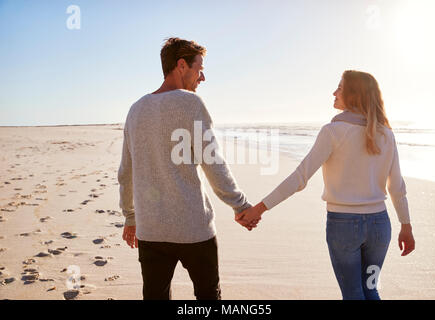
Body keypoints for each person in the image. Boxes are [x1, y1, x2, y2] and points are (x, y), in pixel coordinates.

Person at [237, 70, 416, 300]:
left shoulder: (333, 132)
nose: (334, 92)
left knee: (353, 293)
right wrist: (406, 226)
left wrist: (258, 209)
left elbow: (299, 178)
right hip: (380, 227)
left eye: (339, 88)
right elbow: (397, 187)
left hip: (344, 227)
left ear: (353, 94)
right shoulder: (386, 134)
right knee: (370, 289)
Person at [118, 37, 253, 300]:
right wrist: (240, 205)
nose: (202, 77)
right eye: (198, 68)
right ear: (181, 65)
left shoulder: (135, 110)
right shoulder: (190, 104)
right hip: (194, 229)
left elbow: (126, 171)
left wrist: (130, 216)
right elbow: (213, 162)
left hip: (151, 230)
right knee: (208, 297)